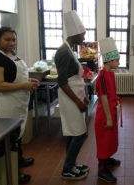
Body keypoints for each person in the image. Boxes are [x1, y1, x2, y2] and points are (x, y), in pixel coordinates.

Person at [0, 26, 39, 184]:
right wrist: (23, 86)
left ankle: (19, 160)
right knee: (9, 139)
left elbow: (14, 78)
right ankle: (13, 172)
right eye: (7, 39)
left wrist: (28, 81)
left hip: (17, 102)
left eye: (13, 40)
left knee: (17, 134)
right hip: (5, 104)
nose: (11, 43)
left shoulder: (12, 55)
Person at [55, 10, 90, 180]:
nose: (84, 38)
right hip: (69, 100)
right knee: (79, 133)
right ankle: (67, 168)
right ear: (74, 34)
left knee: (73, 132)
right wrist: (78, 102)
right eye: (82, 35)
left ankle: (71, 163)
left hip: (75, 97)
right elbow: (62, 81)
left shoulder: (69, 49)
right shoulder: (63, 51)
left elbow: (74, 78)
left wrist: (83, 96)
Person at [95, 37, 121, 183]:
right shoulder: (103, 75)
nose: (119, 63)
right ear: (109, 61)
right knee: (104, 140)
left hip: (110, 110)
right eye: (117, 60)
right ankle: (101, 169)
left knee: (110, 138)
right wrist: (109, 118)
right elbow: (103, 98)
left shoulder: (109, 73)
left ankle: (108, 159)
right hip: (105, 114)